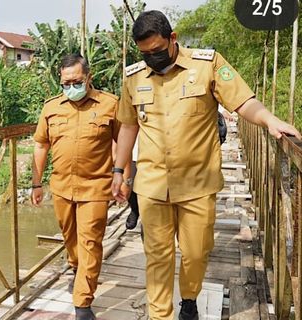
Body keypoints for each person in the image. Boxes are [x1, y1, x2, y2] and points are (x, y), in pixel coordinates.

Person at [111, 10, 302, 320]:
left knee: (196, 252)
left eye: (157, 52)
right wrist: (119, 171)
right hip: (152, 184)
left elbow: (241, 101)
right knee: (157, 256)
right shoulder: (133, 77)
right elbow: (128, 127)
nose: (152, 59)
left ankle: (189, 298)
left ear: (173, 39)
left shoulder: (207, 64)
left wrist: (269, 120)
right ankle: (161, 315)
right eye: (145, 54)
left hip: (198, 183)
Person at [31, 53, 131, 319]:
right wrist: (36, 182)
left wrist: (125, 178)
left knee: (90, 241)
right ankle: (77, 267)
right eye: (65, 83)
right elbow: (41, 144)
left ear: (89, 77)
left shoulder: (110, 104)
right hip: (62, 186)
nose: (71, 87)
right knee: (70, 237)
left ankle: (83, 303)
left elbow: (124, 142)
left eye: (76, 81)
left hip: (96, 187)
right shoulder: (51, 107)